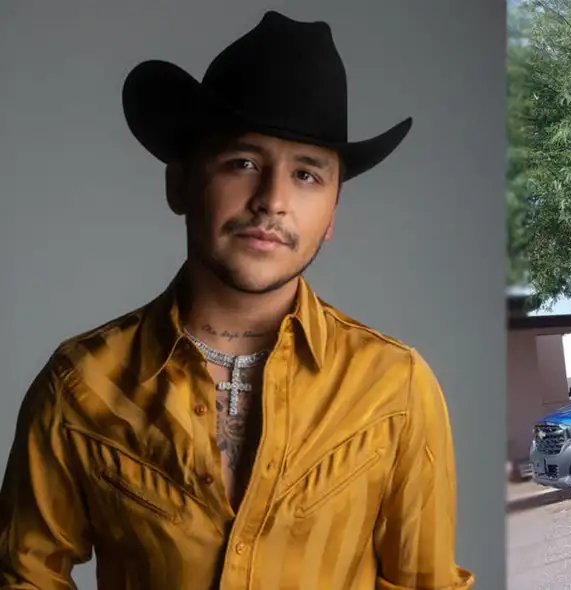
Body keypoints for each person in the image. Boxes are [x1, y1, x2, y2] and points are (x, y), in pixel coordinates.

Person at [0, 11, 473, 590]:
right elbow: (25, 577)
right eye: (243, 162)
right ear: (179, 183)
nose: (272, 200)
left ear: (331, 215)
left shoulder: (395, 387)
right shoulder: (78, 384)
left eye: (306, 175)